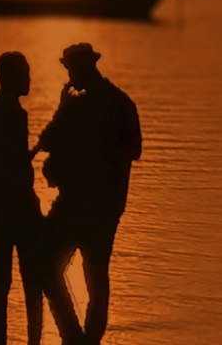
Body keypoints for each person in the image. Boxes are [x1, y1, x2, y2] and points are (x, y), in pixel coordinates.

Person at [35, 43, 142, 345]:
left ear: (83, 69)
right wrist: (61, 108)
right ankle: (78, 339)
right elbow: (50, 141)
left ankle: (79, 339)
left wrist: (98, 153)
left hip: (93, 206)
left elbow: (134, 149)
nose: (68, 76)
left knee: (68, 270)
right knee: (74, 273)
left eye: (70, 70)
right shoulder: (90, 104)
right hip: (86, 204)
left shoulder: (115, 104)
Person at [0, 51, 44, 345]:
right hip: (18, 212)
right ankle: (33, 341)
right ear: (12, 78)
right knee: (31, 282)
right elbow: (12, 166)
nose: (30, 79)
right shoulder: (15, 115)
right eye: (25, 74)